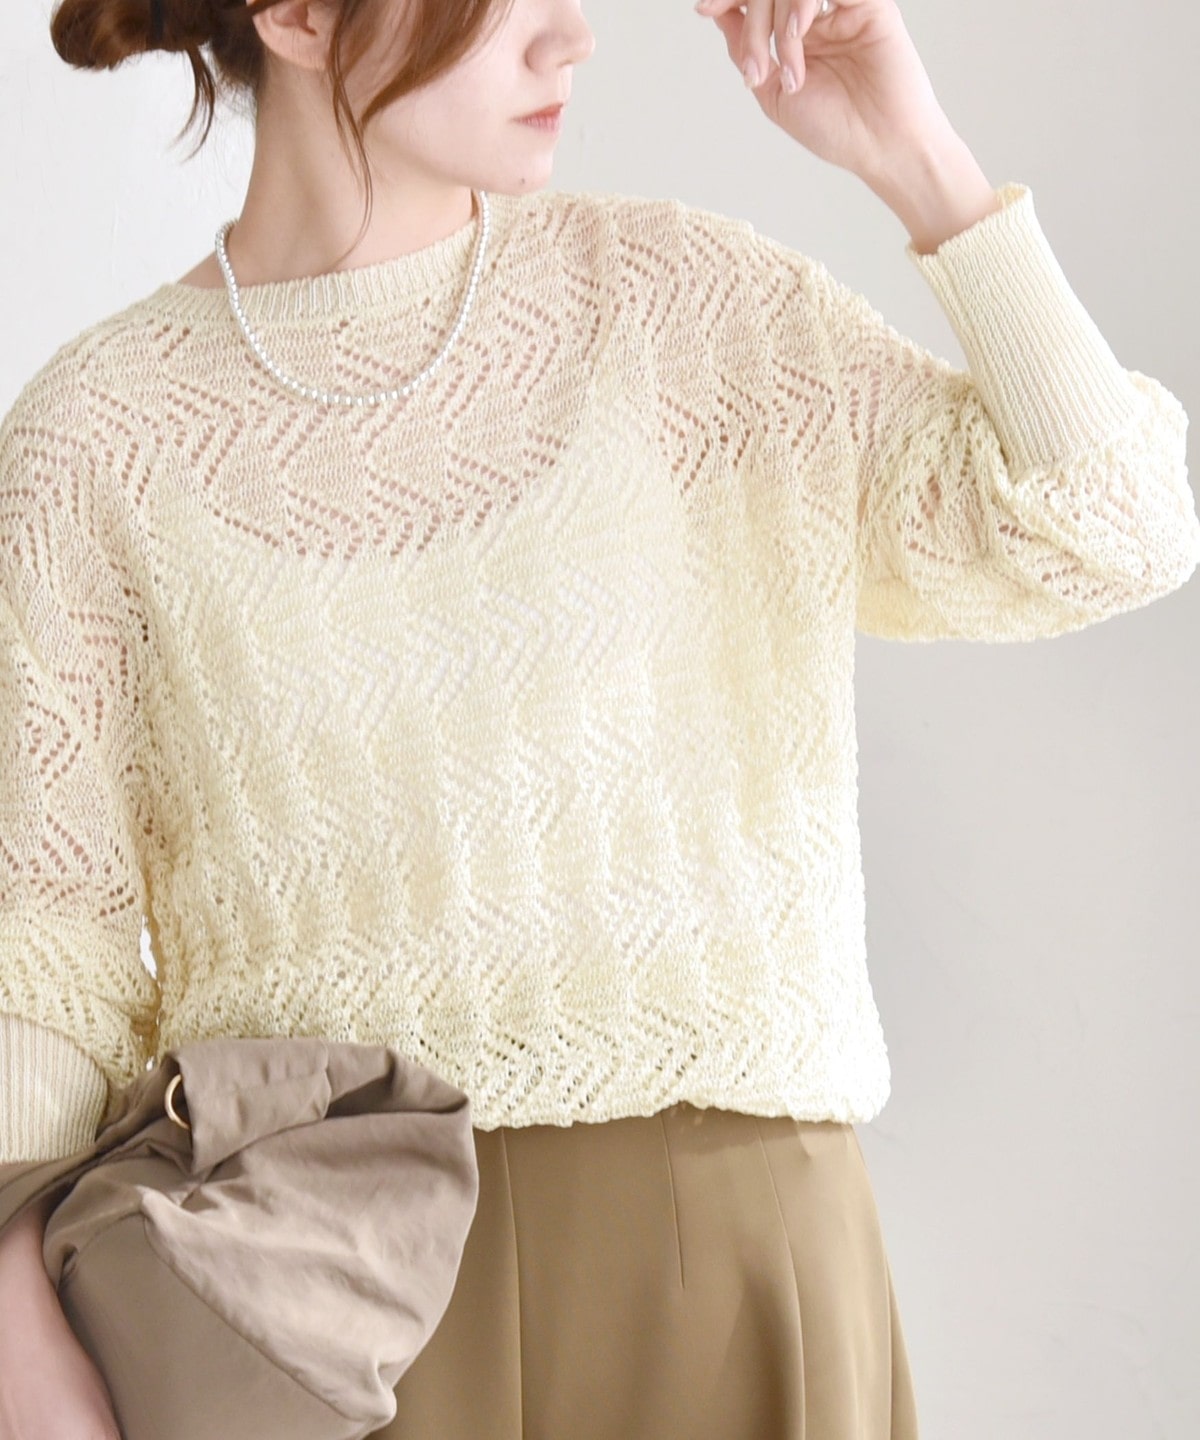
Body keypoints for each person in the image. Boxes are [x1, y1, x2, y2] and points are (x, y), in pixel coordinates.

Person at [1, 0, 1197, 1436]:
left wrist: (916, 156)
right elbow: (43, 962)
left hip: (740, 1264)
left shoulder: (689, 312)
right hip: (319, 1317)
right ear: (301, 15)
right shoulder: (96, 441)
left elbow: (1115, 529)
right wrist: (19, 1339)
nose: (570, 36)